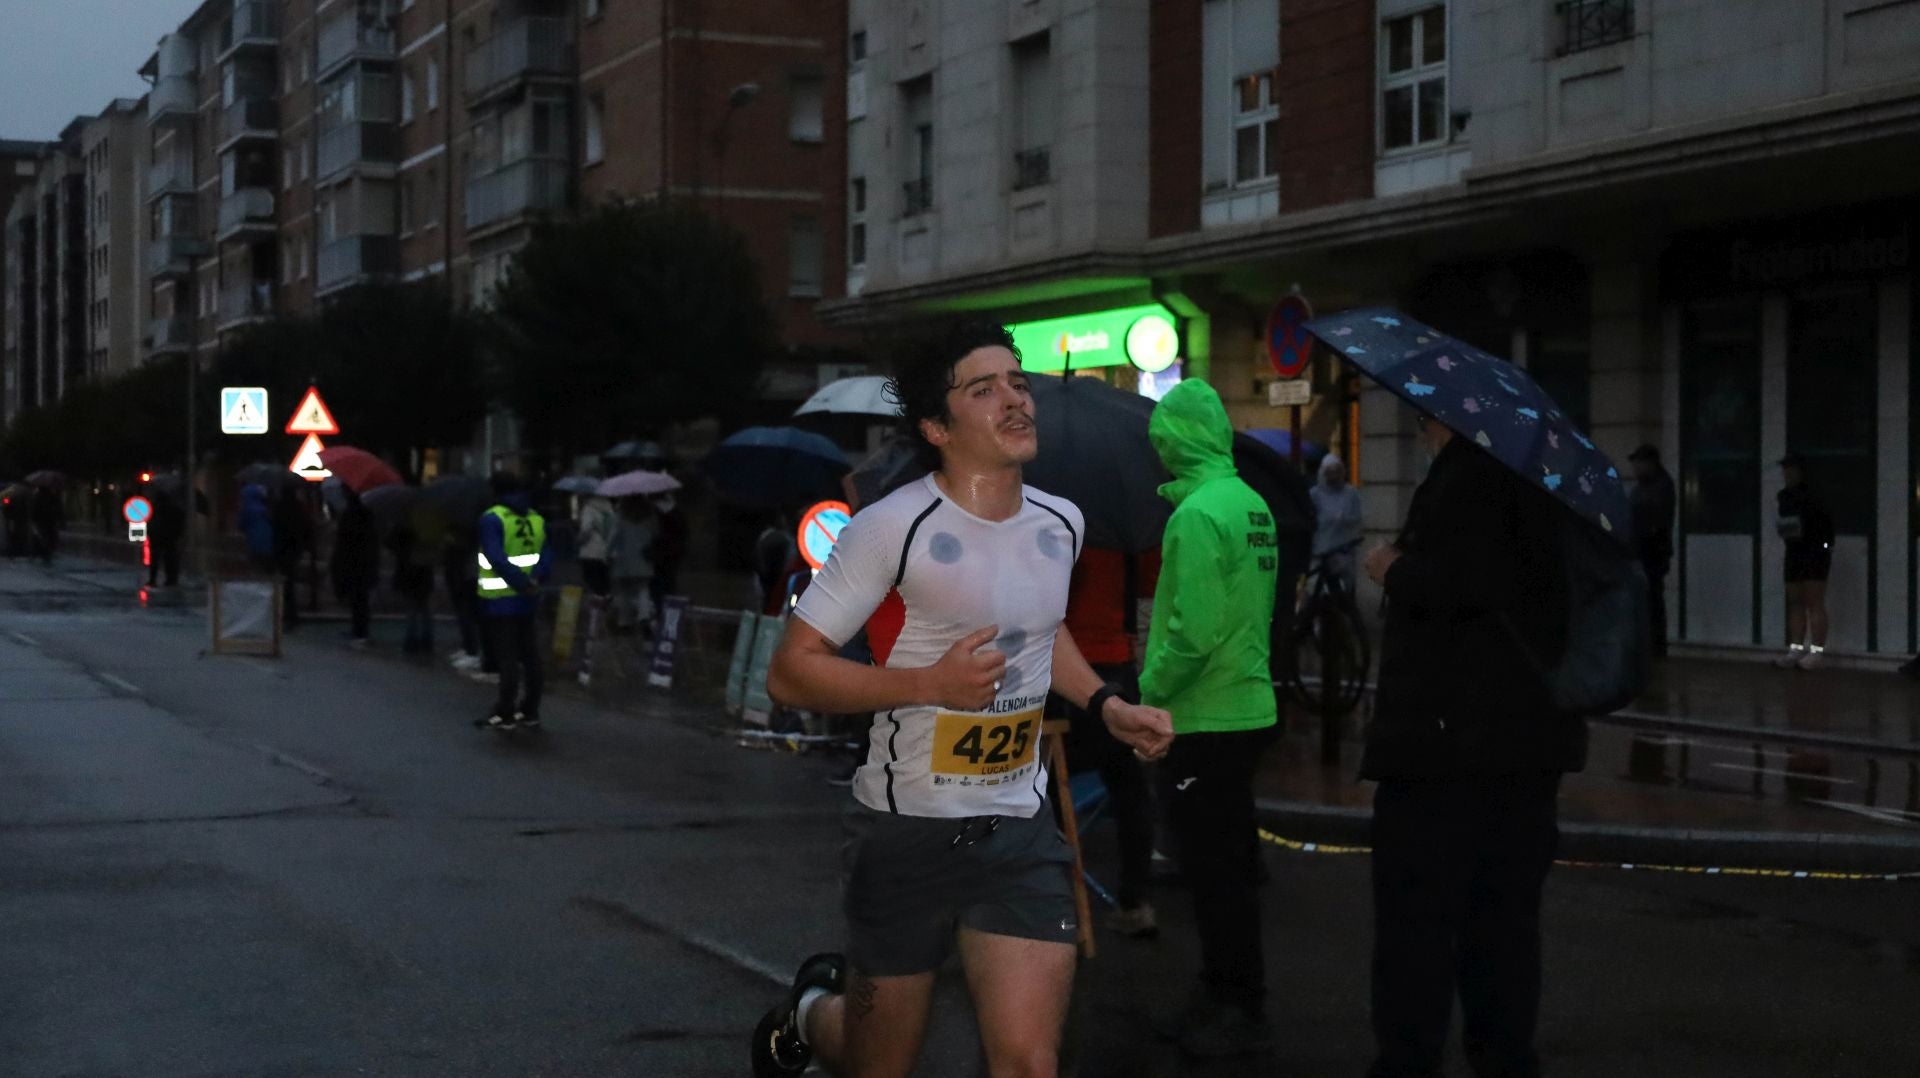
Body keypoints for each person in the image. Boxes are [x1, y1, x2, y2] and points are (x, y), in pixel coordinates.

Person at [750, 321, 1174, 1078]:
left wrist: (1106, 703)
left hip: (1020, 827)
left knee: (1029, 1063)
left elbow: (1044, 634)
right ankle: (814, 1014)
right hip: (905, 830)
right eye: (984, 389)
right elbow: (791, 672)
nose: (1015, 400)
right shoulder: (889, 529)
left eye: (1017, 382)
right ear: (937, 427)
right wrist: (926, 686)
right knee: (878, 1063)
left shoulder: (1062, 522)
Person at [1359, 412, 1574, 1078]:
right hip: (1529, 741)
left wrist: (1393, 567)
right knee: (1504, 922)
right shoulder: (1542, 488)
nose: (1419, 430)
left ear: (1447, 419)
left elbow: (1458, 588)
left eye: (1423, 417)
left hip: (1444, 746)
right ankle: (1505, 1056)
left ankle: (1408, 1061)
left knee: (1417, 921)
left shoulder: (1467, 486)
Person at [1138, 379, 1282, 1058]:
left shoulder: (1195, 516)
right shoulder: (1251, 504)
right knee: (1231, 867)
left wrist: (1148, 691)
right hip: (1248, 704)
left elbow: (1191, 631)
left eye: (1162, 440)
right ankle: (1233, 997)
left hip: (1203, 716)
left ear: (1174, 441)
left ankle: (1230, 1003)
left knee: (1212, 875)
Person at [1058, 545, 1161, 940]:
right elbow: (1151, 580)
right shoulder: (1120, 526)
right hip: (1116, 662)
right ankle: (1136, 899)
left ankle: (1060, 910)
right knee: (1129, 787)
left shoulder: (1057, 525)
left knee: (1049, 789)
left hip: (1066, 669)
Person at [477, 472, 550, 729]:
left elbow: (495, 558)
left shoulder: (492, 518)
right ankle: (530, 710)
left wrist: (519, 581)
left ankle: (504, 711)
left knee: (507, 658)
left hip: (500, 598)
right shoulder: (536, 518)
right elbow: (545, 556)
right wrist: (534, 581)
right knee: (530, 655)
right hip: (528, 598)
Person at [1774, 454, 1833, 670]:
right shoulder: (1784, 496)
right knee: (1795, 601)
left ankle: (1816, 651)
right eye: (1785, 471)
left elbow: (1827, 528)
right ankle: (1795, 648)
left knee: (1814, 602)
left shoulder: (1815, 496)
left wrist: (1825, 548)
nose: (1786, 475)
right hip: (1795, 552)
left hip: (1814, 553)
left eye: (1790, 470)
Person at [1627, 445, 1676, 658]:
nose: (1636, 468)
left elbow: (1657, 519)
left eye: (1639, 463)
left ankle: (1656, 646)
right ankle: (1648, 644)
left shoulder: (1661, 486)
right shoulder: (1641, 488)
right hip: (1642, 548)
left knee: (1653, 598)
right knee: (1646, 598)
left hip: (1653, 550)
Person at [574, 493, 617, 686]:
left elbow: (585, 531)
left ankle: (594, 619)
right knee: (603, 585)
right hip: (605, 553)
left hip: (590, 552)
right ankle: (604, 613)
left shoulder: (589, 509)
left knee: (591, 586)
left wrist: (578, 540)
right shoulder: (610, 509)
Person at [330, 489, 378, 649]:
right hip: (365, 563)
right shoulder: (368, 515)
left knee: (357, 599)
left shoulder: (349, 516)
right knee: (361, 599)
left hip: (353, 564)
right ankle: (361, 630)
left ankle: (360, 631)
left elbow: (343, 543)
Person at [1310, 452, 1363, 591]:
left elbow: (1358, 520)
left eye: (1337, 472)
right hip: (1320, 555)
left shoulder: (1351, 494)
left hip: (1344, 555)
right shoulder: (1315, 495)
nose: (1333, 476)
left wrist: (1344, 520)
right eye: (1330, 472)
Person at [609, 496, 656, 632]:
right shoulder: (649, 515)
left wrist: (608, 552)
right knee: (643, 588)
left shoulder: (621, 515)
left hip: (624, 558)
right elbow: (655, 533)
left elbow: (614, 535)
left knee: (624, 591)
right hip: (643, 557)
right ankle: (644, 617)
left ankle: (625, 622)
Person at [271, 485, 311, 629]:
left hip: (282, 549)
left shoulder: (279, 508)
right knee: (289, 583)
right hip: (294, 549)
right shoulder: (299, 508)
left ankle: (286, 614)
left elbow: (275, 526)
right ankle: (290, 614)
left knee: (284, 583)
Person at [649, 490, 688, 610]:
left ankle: (655, 617)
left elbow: (653, 533)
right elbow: (684, 534)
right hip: (672, 557)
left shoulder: (655, 513)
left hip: (657, 556)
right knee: (669, 588)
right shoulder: (677, 513)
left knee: (655, 590)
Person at [147, 485, 185, 589]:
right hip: (169, 537)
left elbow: (151, 522)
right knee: (170, 558)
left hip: (158, 537)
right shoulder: (175, 508)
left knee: (155, 559)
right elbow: (180, 521)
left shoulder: (155, 508)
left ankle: (153, 579)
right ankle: (171, 579)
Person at [237, 483, 276, 576]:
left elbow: (241, 525)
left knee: (256, 568)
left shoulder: (246, 509)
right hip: (269, 543)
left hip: (253, 543)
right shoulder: (265, 509)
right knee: (267, 569)